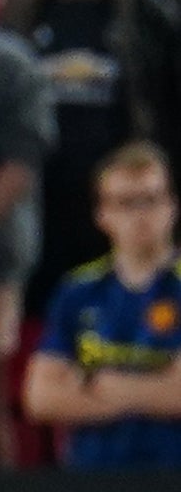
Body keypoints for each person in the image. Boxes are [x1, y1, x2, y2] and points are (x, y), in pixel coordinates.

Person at [23, 141, 181, 468]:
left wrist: (99, 386)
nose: (140, 216)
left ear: (172, 207)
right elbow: (40, 397)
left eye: (151, 200)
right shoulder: (78, 291)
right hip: (94, 482)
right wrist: (152, 390)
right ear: (103, 215)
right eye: (126, 203)